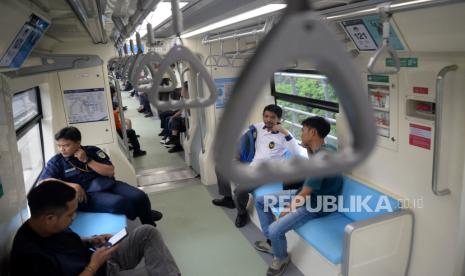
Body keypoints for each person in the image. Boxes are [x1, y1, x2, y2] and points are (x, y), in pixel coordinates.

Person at [10, 180, 180, 276]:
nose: (73, 218)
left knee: (147, 233)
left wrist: (90, 240)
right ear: (49, 218)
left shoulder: (48, 226)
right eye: (70, 215)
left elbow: (64, 243)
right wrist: (93, 265)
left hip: (98, 257)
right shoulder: (31, 258)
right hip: (96, 269)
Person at [253, 116, 343, 276]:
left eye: (303, 131)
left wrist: (286, 211)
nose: (301, 134)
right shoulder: (327, 148)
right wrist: (307, 148)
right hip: (307, 196)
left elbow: (306, 192)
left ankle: (281, 258)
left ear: (313, 132)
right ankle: (273, 244)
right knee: (261, 201)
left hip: (318, 205)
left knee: (275, 228)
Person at [39, 126, 162, 226]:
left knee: (139, 195)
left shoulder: (93, 151)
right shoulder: (57, 161)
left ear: (78, 143)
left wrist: (87, 160)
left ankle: (148, 222)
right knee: (119, 203)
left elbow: (110, 171)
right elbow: (44, 182)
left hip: (108, 184)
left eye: (66, 145)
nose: (62, 149)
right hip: (88, 195)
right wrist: (71, 185)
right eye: (59, 145)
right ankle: (143, 213)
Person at [212, 104, 305, 227]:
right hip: (251, 165)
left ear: (279, 119)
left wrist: (284, 131)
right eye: (266, 116)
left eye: (272, 117)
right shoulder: (259, 127)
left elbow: (297, 152)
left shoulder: (284, 136)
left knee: (240, 191)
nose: (268, 120)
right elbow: (243, 136)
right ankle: (228, 199)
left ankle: (241, 213)